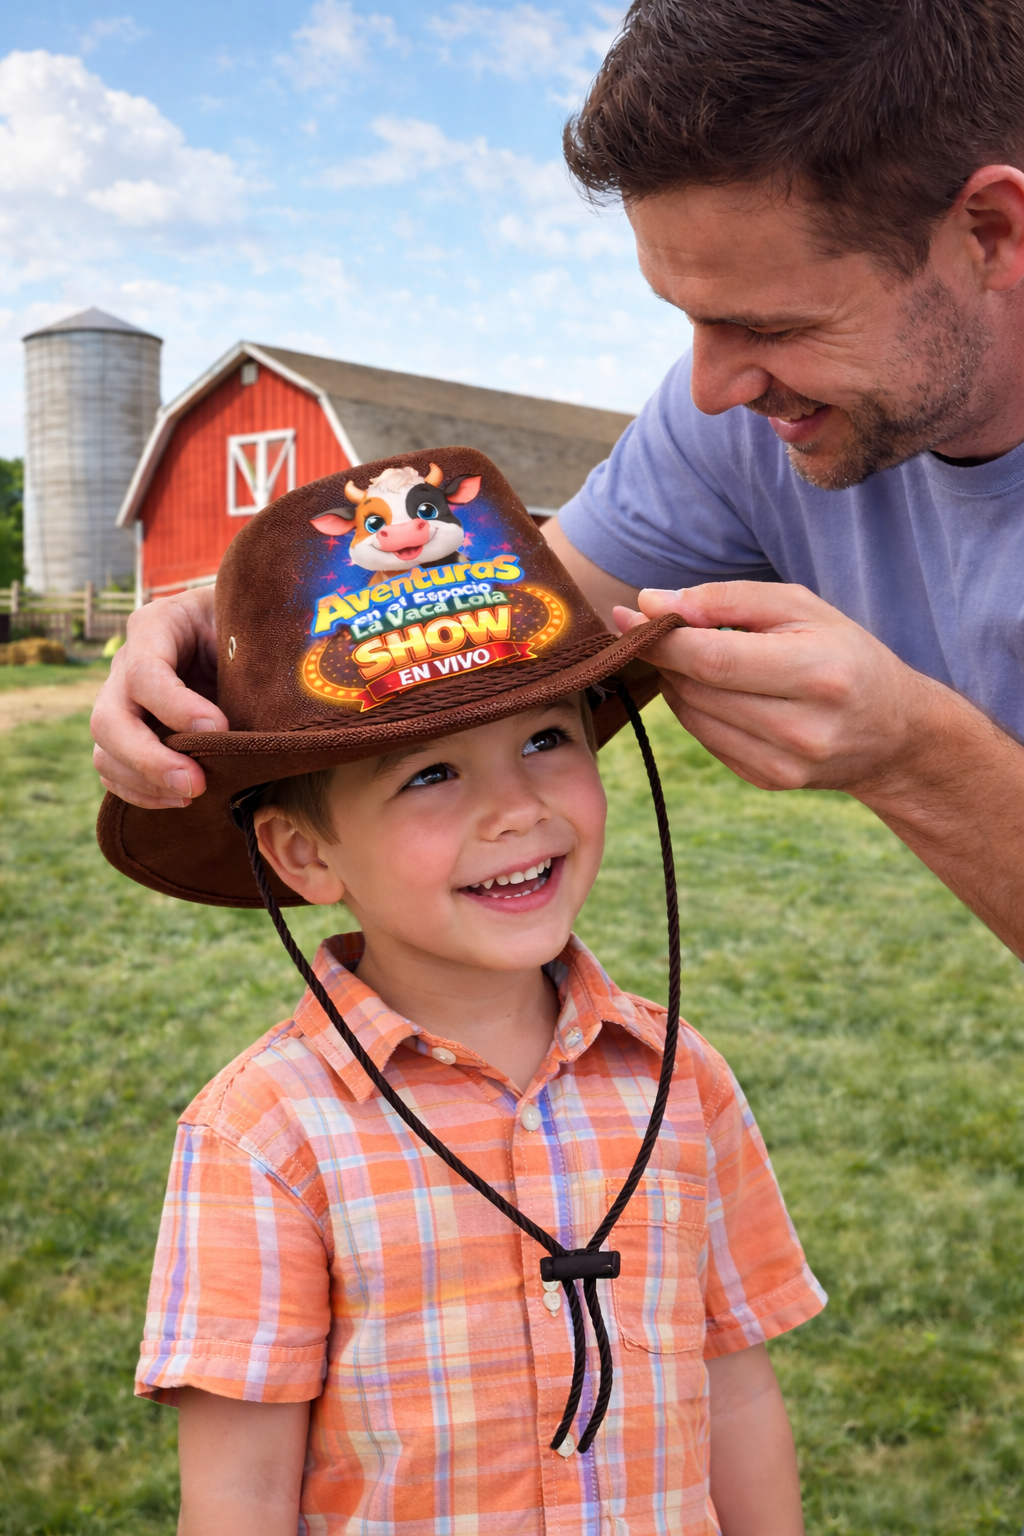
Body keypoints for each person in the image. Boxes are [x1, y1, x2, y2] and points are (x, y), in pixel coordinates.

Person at [90, 0, 1024, 961]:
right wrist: (236, 629)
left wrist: (922, 758)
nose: (709, 391)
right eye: (688, 318)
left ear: (991, 231)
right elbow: (504, 621)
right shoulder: (750, 423)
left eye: (775, 326)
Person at [106, 452, 825, 1534]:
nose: (516, 809)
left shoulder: (685, 1083)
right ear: (304, 855)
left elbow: (735, 1387)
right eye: (431, 774)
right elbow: (240, 1492)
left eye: (546, 739)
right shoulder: (261, 1136)